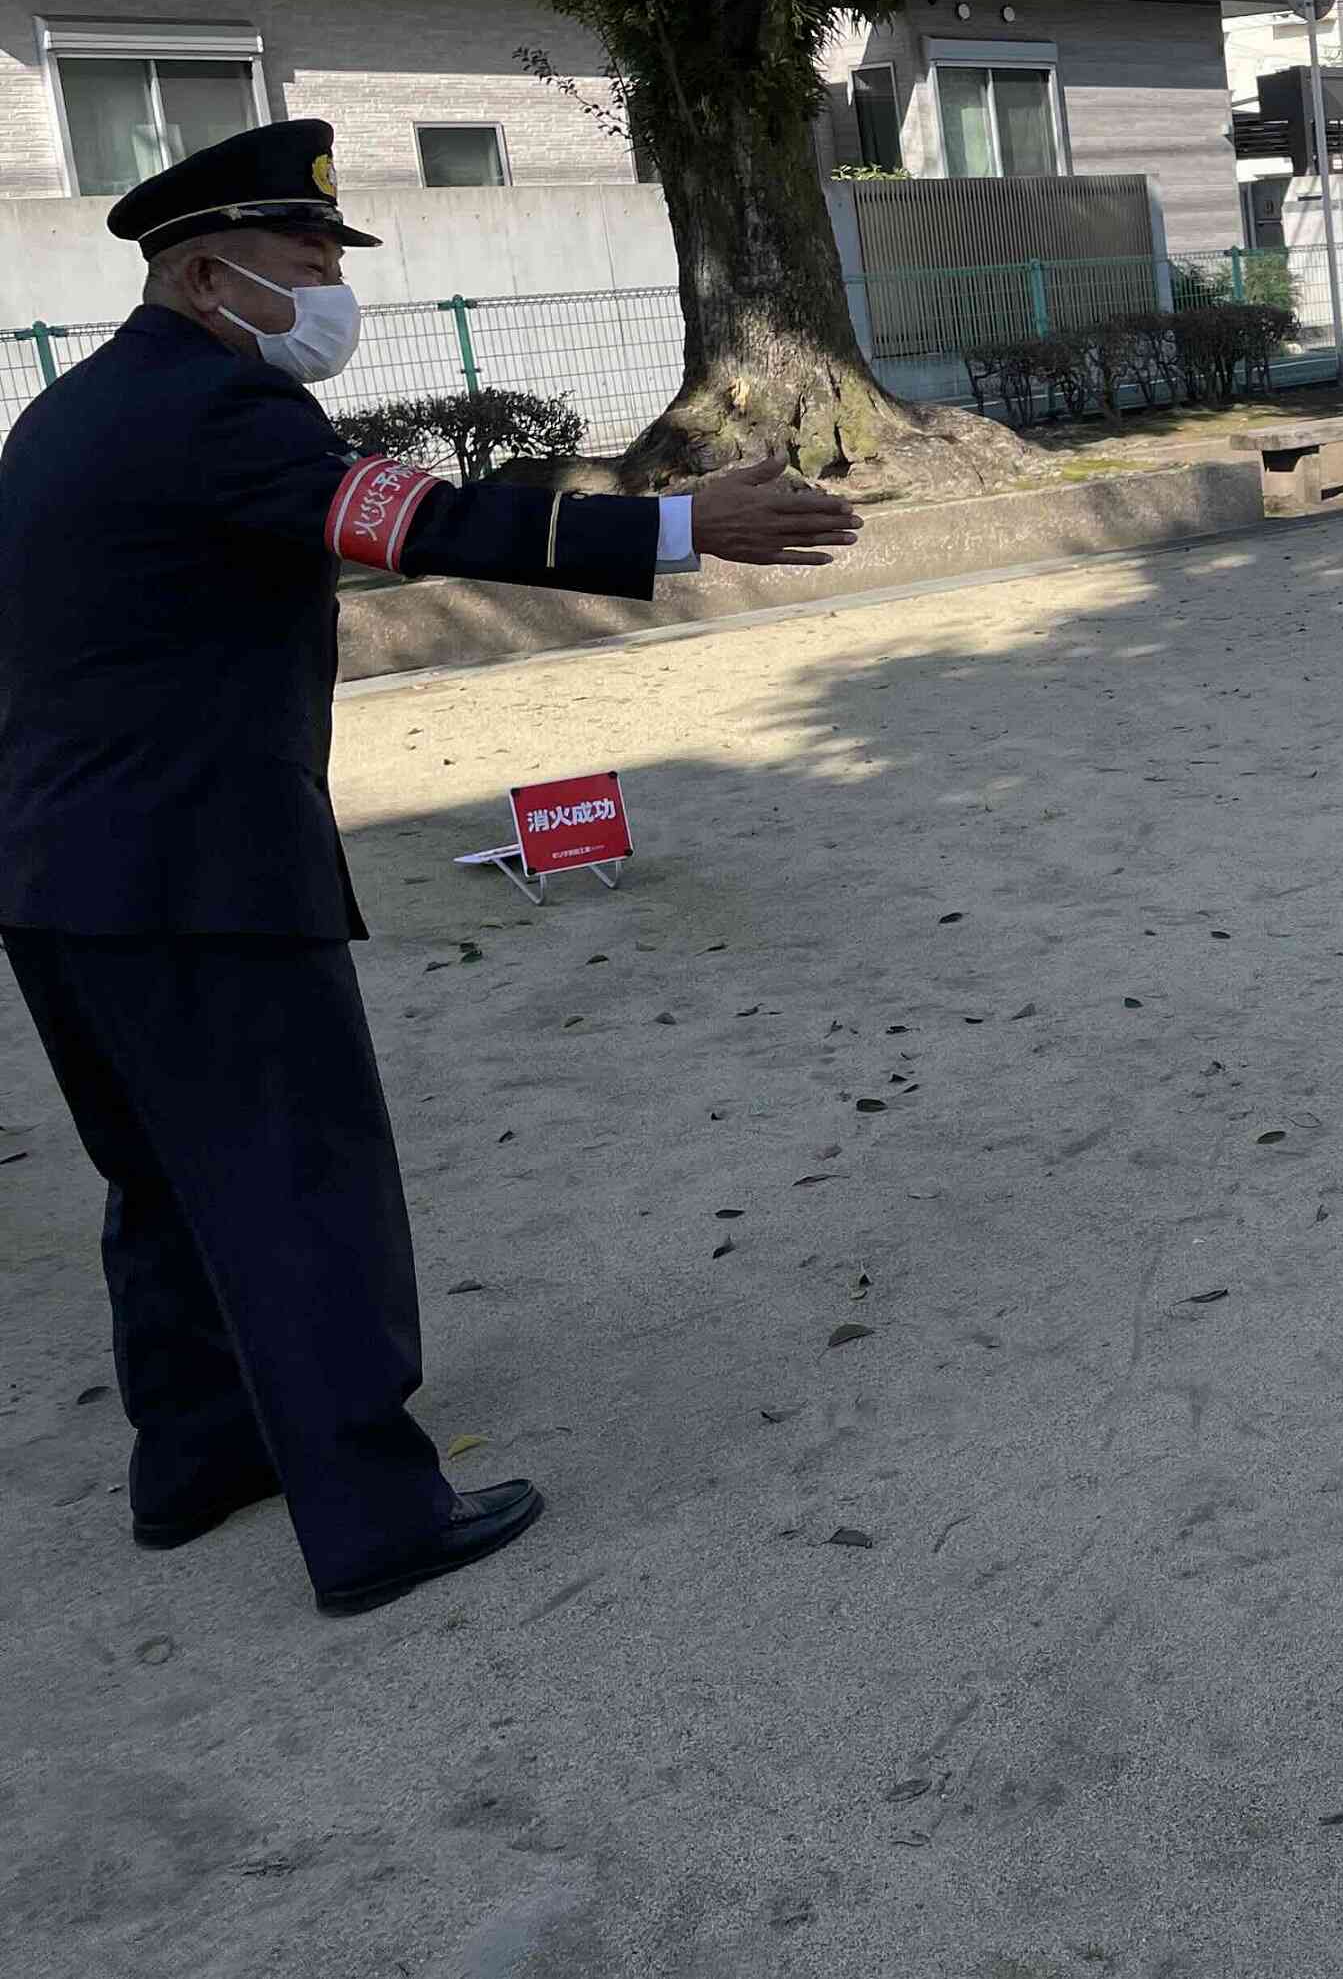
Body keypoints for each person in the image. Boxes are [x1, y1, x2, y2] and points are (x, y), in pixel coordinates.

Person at [0, 119, 862, 1616]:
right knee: (295, 1180)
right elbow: (429, 521)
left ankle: (195, 1458)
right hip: (200, 876)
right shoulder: (223, 414)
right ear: (209, 274)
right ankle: (377, 1514)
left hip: (56, 875)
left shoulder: (66, 415)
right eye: (310, 258)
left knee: (160, 1179)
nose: (335, 286)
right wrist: (676, 520)